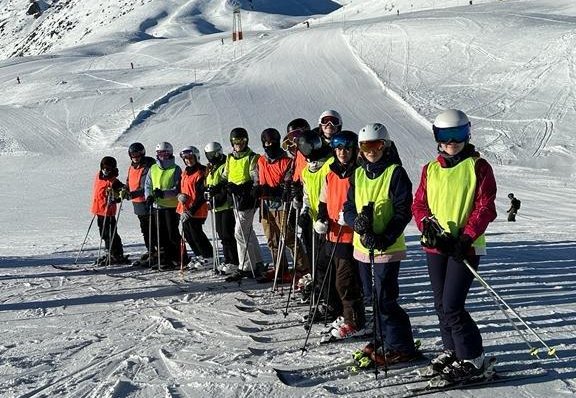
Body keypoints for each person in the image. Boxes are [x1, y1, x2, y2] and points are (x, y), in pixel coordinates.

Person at [412, 109, 497, 383]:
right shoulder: (431, 169)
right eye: (445, 136)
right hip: (437, 247)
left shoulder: (478, 167)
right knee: (440, 304)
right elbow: (419, 204)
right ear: (437, 137)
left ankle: (473, 358)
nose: (452, 142)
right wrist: (428, 227)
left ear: (467, 134)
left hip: (464, 247)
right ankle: (453, 350)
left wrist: (465, 237)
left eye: (458, 135)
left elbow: (485, 207)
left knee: (452, 305)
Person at [343, 123, 417, 365]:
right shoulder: (357, 172)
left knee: (385, 298)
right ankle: (381, 337)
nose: (371, 150)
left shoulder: (395, 172)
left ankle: (400, 345)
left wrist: (385, 237)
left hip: (387, 247)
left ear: (384, 146)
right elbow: (349, 207)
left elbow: (403, 210)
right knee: (371, 297)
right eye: (366, 146)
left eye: (376, 145)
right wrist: (358, 223)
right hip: (363, 246)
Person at [316, 130, 368, 339]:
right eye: (339, 148)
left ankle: (355, 321)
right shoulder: (331, 173)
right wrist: (320, 218)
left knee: (345, 281)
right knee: (333, 279)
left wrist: (352, 216)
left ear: (354, 149)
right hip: (332, 234)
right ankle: (345, 316)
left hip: (351, 235)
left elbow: (365, 199)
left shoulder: (359, 173)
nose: (342, 152)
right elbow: (323, 201)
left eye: (347, 148)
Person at [255, 128, 309, 283]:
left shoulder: (287, 162)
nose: (269, 145)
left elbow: (287, 184)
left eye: (273, 143)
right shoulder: (261, 161)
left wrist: (270, 190)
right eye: (267, 143)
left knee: (289, 238)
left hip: (281, 205)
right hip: (265, 205)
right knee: (272, 239)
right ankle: (280, 267)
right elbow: (257, 177)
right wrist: (256, 188)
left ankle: (302, 269)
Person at [295, 129, 334, 310]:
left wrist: (324, 213)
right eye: (302, 147)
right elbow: (306, 195)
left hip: (328, 221)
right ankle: (321, 297)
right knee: (316, 262)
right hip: (313, 221)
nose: (305, 150)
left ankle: (331, 301)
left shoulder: (329, 165)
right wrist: (304, 212)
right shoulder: (306, 171)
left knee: (327, 264)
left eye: (308, 146)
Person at [222, 127, 265, 281]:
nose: (238, 144)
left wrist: (241, 188)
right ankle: (258, 262)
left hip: (247, 199)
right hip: (234, 199)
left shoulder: (252, 157)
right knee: (247, 232)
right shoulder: (230, 158)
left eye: (242, 141)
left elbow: (256, 179)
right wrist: (225, 185)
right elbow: (225, 175)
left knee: (239, 232)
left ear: (246, 141)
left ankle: (246, 266)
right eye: (235, 141)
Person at [144, 142, 184, 270]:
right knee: (161, 234)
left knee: (172, 233)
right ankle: (166, 259)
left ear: (170, 153)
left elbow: (177, 188)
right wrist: (148, 196)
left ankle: (179, 257)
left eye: (165, 153)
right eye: (160, 153)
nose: (163, 156)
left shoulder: (176, 169)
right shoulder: (153, 168)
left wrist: (163, 194)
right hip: (157, 206)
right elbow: (148, 185)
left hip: (171, 206)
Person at [204, 142, 239, 274]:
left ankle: (234, 261)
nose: (213, 156)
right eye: (210, 155)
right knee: (221, 234)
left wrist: (218, 197)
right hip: (216, 206)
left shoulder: (225, 165)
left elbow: (225, 186)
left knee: (227, 234)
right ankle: (228, 259)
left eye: (215, 153)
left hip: (226, 205)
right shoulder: (211, 167)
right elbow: (209, 184)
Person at [177, 146, 213, 269]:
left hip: (196, 209)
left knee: (196, 233)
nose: (188, 160)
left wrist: (191, 211)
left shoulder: (201, 172)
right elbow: (180, 187)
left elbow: (201, 194)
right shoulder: (185, 172)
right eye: (185, 158)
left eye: (190, 157)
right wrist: (179, 195)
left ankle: (208, 256)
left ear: (196, 157)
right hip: (185, 208)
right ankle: (199, 255)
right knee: (188, 234)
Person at [91, 156, 128, 265]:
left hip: (108, 211)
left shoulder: (113, 181)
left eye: (108, 168)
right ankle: (111, 252)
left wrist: (117, 196)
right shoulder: (99, 176)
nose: (105, 170)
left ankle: (115, 253)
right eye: (104, 167)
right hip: (99, 209)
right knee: (103, 233)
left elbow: (121, 192)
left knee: (110, 233)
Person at [124, 142, 156, 264]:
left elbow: (147, 186)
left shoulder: (148, 166)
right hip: (137, 204)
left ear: (142, 153)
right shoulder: (132, 167)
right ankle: (150, 250)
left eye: (137, 154)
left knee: (152, 227)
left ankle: (158, 251)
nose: (135, 157)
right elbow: (129, 181)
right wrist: (125, 190)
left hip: (148, 201)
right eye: (133, 154)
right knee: (144, 228)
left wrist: (133, 194)